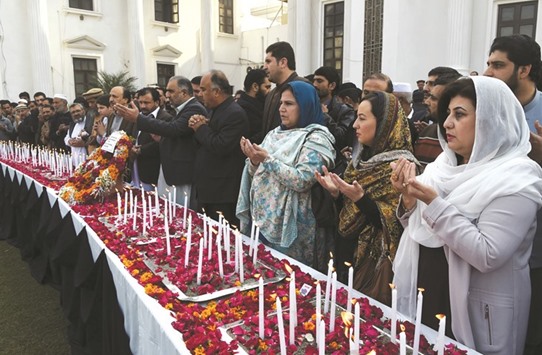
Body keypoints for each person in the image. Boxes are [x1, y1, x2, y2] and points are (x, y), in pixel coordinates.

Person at [392, 77, 542, 354]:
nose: (447, 122)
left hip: (478, 312)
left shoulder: (517, 177)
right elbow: (421, 230)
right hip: (431, 295)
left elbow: (488, 253)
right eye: (447, 113)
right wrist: (410, 201)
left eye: (459, 114)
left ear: (491, 120)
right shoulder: (442, 166)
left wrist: (433, 203)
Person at [315, 91, 416, 304]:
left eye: (362, 118)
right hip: (347, 252)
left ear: (385, 124)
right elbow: (348, 210)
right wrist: (336, 194)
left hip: (374, 265)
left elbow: (398, 223)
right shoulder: (360, 161)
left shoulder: (402, 167)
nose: (354, 125)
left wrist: (361, 199)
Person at [484, 34, 542, 355]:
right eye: (489, 64)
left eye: (498, 65)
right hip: (491, 247)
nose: (489, 72)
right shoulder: (487, 110)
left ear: (524, 70)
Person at [237, 81, 335, 270]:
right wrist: (254, 161)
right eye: (281, 103)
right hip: (263, 220)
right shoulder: (274, 133)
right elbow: (257, 174)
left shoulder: (317, 139)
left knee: (290, 282)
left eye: (289, 104)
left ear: (305, 105)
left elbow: (302, 180)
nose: (281, 109)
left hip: (295, 226)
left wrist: (267, 159)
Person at [188, 70, 249, 224]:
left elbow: (221, 145)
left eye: (203, 90)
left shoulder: (234, 113)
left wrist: (200, 128)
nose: (199, 94)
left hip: (222, 192)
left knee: (223, 240)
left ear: (216, 91)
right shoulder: (214, 110)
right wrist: (197, 125)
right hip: (209, 188)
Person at [258, 41, 307, 143]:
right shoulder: (271, 94)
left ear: (283, 63)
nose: (264, 67)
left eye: (268, 61)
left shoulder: (303, 88)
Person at [236, 68, 271, 142]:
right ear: (255, 87)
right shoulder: (242, 110)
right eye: (267, 87)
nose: (269, 91)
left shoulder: (262, 105)